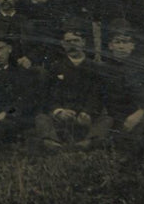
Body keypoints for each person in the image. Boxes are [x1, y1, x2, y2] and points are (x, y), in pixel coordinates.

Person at [79, 19, 144, 150]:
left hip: (138, 115)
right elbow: (96, 95)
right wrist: (87, 112)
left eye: (125, 42)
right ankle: (89, 143)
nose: (121, 46)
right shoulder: (104, 69)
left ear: (132, 45)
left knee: (142, 136)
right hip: (114, 117)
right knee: (106, 126)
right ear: (110, 46)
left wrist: (139, 113)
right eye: (117, 42)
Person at [35, 18, 103, 150]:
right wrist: (59, 111)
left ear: (83, 42)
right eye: (68, 42)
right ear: (62, 44)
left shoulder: (94, 67)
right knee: (41, 118)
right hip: (63, 116)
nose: (72, 45)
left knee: (106, 119)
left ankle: (88, 142)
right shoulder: (55, 67)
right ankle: (53, 143)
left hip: (84, 117)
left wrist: (87, 112)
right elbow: (49, 95)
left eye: (76, 41)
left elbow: (97, 95)